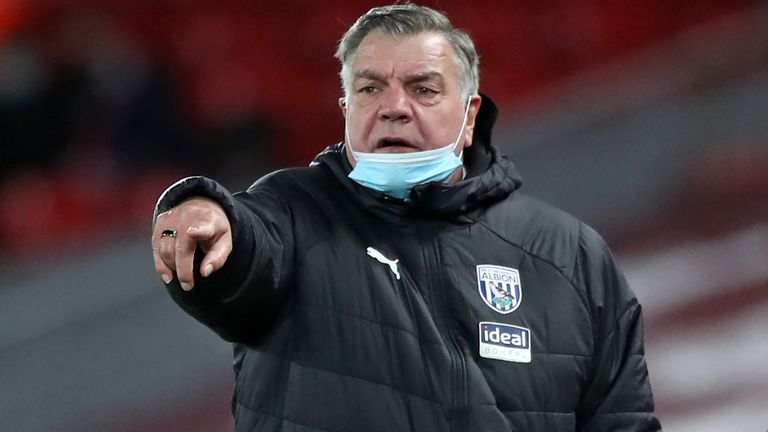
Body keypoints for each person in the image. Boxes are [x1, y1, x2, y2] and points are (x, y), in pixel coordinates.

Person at [151, 4, 661, 431]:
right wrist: (203, 209)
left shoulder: (570, 254)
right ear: (346, 107)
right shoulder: (293, 211)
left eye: (423, 88)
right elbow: (246, 250)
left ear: (469, 116)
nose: (394, 107)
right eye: (371, 89)